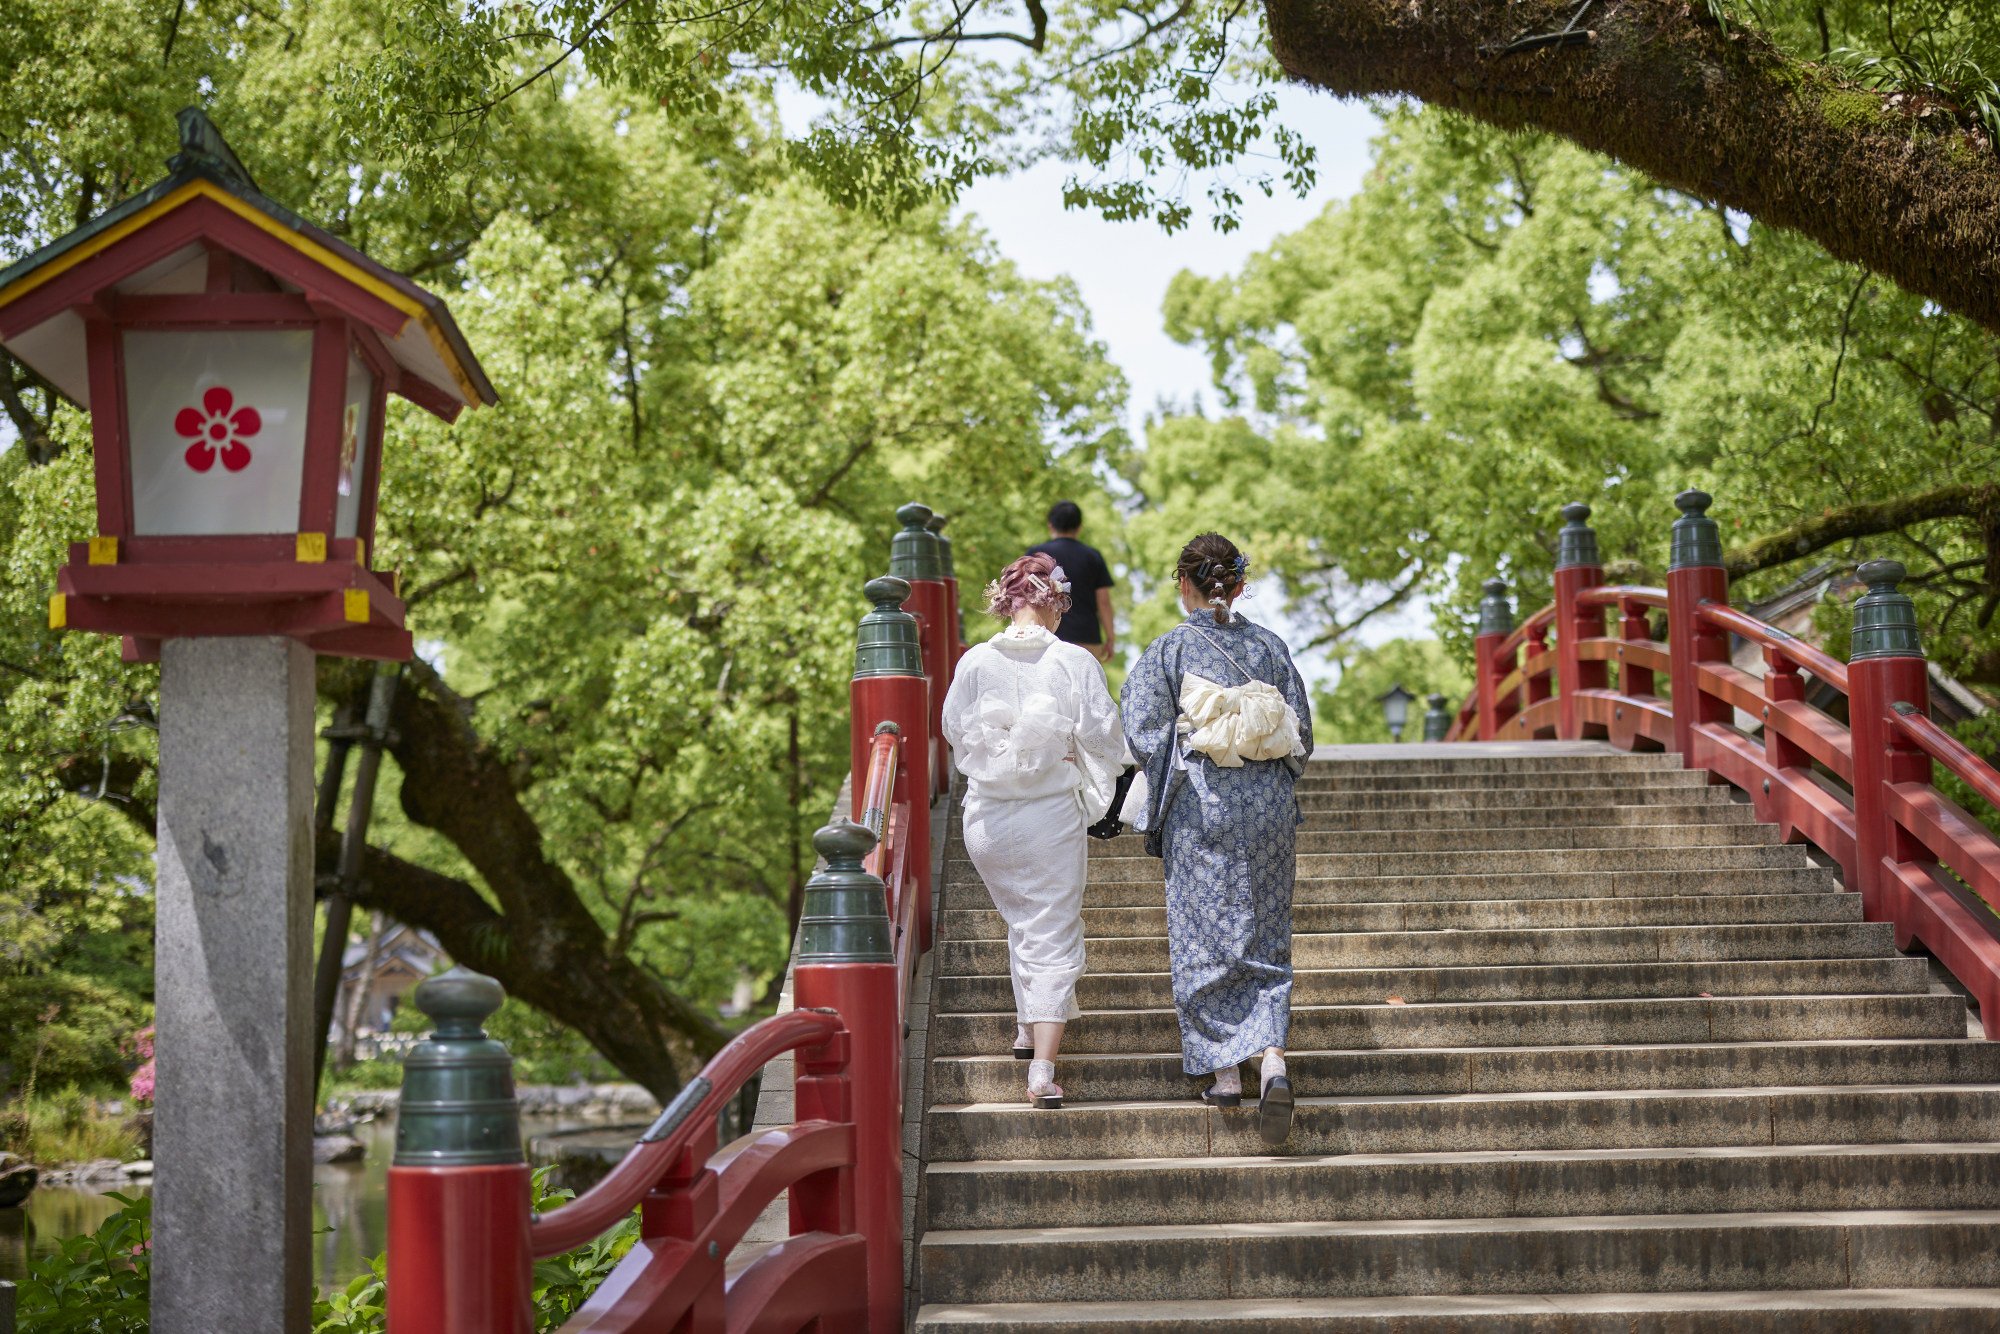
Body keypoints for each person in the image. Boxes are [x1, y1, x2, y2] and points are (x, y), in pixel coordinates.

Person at [1120, 533, 1313, 1146]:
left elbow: (1143, 729)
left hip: (1203, 804)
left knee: (1202, 929)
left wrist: (1190, 748)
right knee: (1264, 925)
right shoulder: (1270, 646)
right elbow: (1300, 729)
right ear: (1237, 582)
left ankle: (1225, 1071)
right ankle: (1274, 1060)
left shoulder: (1171, 648)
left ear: (1186, 585)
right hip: (1267, 807)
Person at [941, 552, 1133, 1109]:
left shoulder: (974, 661)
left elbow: (955, 728)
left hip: (989, 821)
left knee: (1022, 919)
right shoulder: (1073, 661)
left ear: (1007, 600)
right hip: (1046, 814)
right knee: (1052, 929)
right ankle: (1043, 1073)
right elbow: (1105, 734)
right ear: (1055, 602)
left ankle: (1028, 1029)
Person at [1029, 501, 1117, 663]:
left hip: (1045, 636)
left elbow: (1027, 596)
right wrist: (1110, 638)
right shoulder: (1093, 556)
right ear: (1079, 527)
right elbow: (1103, 602)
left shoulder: (1036, 555)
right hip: (1086, 638)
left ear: (1050, 525)